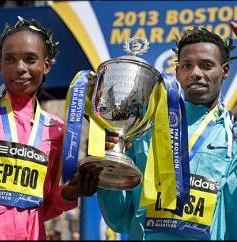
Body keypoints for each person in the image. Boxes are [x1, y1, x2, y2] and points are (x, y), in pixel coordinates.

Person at [97, 22, 237, 240]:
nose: (195, 73)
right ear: (177, 71)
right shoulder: (143, 131)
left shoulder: (232, 138)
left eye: (206, 65)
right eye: (186, 65)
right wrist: (106, 168)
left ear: (225, 70)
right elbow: (120, 218)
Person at [0, 16, 101, 240]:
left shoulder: (56, 130)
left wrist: (70, 192)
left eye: (30, 59)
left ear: (46, 65)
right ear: (0, 64)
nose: (20, 68)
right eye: (10, 59)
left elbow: (43, 206)